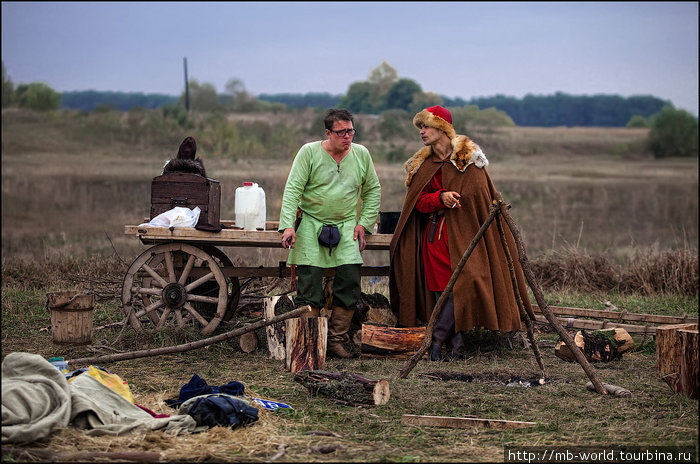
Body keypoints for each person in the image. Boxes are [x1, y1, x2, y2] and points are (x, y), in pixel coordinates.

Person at [389, 105, 535, 361]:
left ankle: (436, 341)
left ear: (442, 128)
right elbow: (418, 203)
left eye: (426, 126)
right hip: (436, 237)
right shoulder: (423, 165)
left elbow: (482, 199)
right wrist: (439, 197)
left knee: (467, 282)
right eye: (420, 127)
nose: (422, 132)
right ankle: (455, 348)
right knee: (440, 290)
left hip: (469, 238)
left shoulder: (469, 161)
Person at [279, 109, 381, 358]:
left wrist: (364, 223)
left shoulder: (361, 154)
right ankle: (309, 342)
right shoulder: (309, 152)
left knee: (349, 279)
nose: (348, 136)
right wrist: (288, 225)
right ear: (328, 133)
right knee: (309, 283)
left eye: (351, 131)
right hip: (312, 223)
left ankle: (336, 340)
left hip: (346, 224)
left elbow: (373, 190)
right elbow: (293, 189)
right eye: (342, 132)